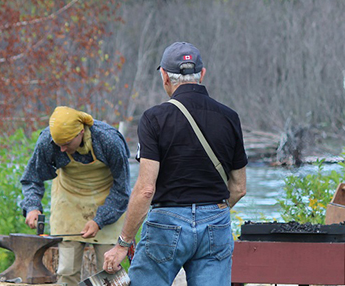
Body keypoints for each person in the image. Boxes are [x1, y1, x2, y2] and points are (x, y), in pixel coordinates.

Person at [102, 42, 248, 285]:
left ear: (164, 77)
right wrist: (208, 215)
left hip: (166, 224)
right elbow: (239, 188)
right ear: (202, 74)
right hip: (215, 222)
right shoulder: (230, 117)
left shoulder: (153, 118)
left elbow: (146, 189)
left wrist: (123, 243)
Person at [20, 106, 130, 285]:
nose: (61, 149)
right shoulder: (48, 141)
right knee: (66, 271)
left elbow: (122, 189)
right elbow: (32, 178)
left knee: (110, 271)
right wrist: (32, 206)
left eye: (66, 143)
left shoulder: (109, 141)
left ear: (81, 132)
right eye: (58, 144)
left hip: (108, 202)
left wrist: (99, 220)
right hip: (68, 204)